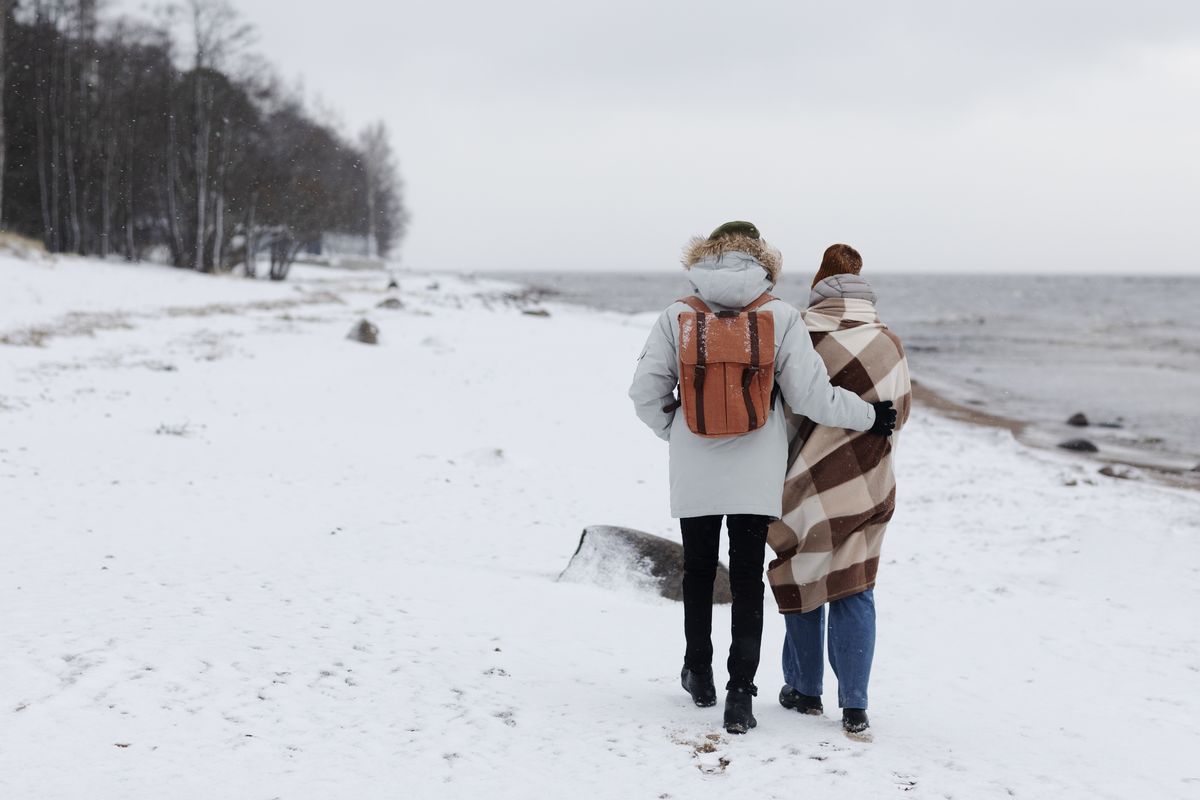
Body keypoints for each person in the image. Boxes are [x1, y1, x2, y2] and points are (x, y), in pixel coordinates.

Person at [628, 223, 897, 734]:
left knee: (698, 572)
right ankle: (740, 695)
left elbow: (644, 393)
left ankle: (699, 675)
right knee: (747, 578)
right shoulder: (780, 315)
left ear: (703, 258)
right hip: (758, 471)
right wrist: (871, 416)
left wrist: (680, 434)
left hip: (694, 468)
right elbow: (813, 398)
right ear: (762, 261)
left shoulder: (677, 315)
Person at [766, 244, 912, 742]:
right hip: (866, 481)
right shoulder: (888, 342)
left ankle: (804, 690)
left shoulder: (800, 335)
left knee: (803, 573)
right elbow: (900, 414)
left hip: (801, 480)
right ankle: (855, 707)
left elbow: (779, 410)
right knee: (855, 585)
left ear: (819, 286)